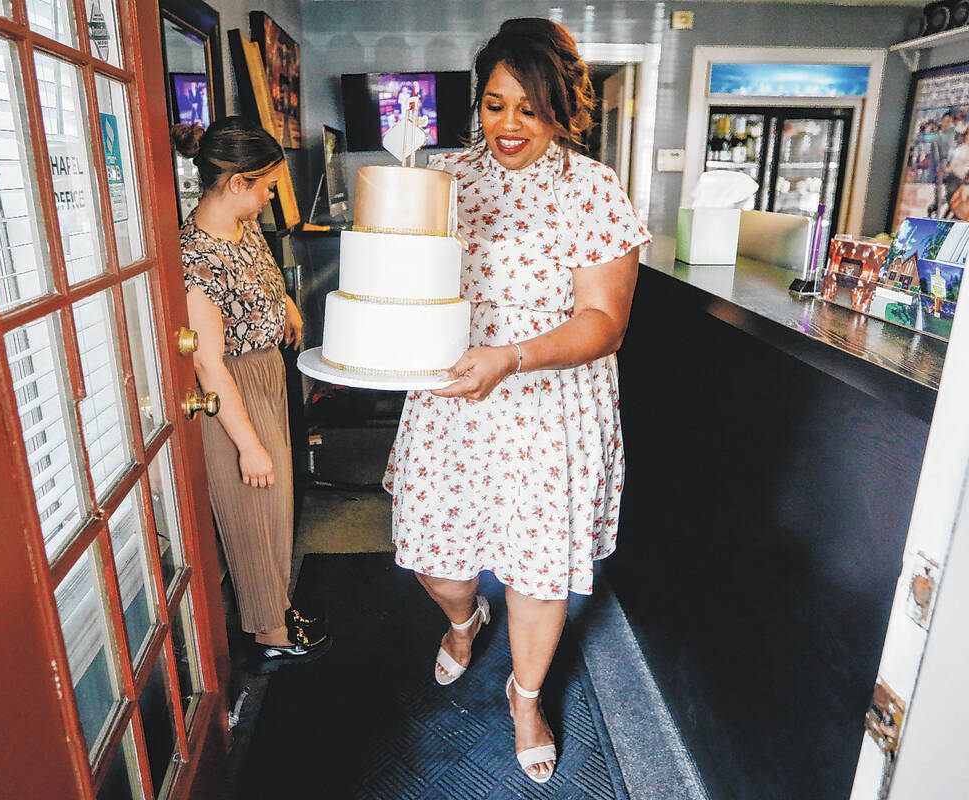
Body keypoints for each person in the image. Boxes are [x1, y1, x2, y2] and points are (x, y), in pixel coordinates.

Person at [382, 18, 650, 785]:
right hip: (452, 402)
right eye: (495, 105)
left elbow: (605, 322)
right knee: (439, 561)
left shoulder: (593, 190)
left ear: (563, 110)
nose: (508, 126)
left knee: (537, 576)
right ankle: (465, 622)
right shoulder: (444, 179)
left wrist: (513, 357)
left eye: (528, 110)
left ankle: (525, 697)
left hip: (548, 407)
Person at [169, 117, 329, 671]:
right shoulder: (194, 258)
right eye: (265, 186)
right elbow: (209, 366)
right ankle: (269, 632)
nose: (269, 197)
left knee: (277, 506)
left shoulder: (243, 227)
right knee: (252, 513)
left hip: (266, 378)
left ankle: (278, 608)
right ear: (236, 183)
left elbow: (262, 275)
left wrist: (284, 303)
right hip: (233, 396)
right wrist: (247, 445)